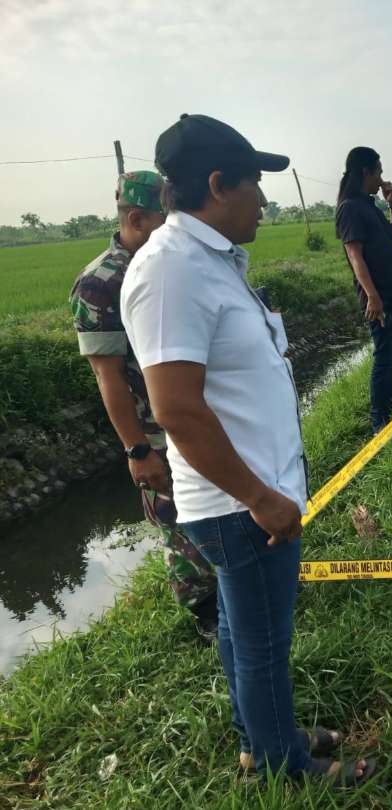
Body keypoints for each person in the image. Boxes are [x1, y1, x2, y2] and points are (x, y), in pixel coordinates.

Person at [120, 114, 375, 786]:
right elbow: (176, 408)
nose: (264, 200)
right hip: (241, 503)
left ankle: (261, 740)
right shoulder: (172, 271)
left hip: (250, 493)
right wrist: (262, 498)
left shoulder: (211, 263)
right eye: (255, 186)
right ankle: (283, 768)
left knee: (240, 630)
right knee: (264, 644)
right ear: (215, 184)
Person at [69, 170, 218, 640]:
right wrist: (138, 450)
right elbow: (107, 375)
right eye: (164, 218)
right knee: (179, 527)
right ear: (137, 217)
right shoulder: (100, 284)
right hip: (156, 431)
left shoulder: (171, 264)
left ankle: (236, 589)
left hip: (198, 415)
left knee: (218, 509)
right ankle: (207, 615)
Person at [335, 147, 392, 434]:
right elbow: (355, 256)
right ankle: (380, 422)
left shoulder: (370, 206)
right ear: (365, 172)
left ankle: (391, 406)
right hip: (378, 297)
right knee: (383, 356)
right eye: (378, 171)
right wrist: (372, 296)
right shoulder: (350, 208)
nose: (381, 178)